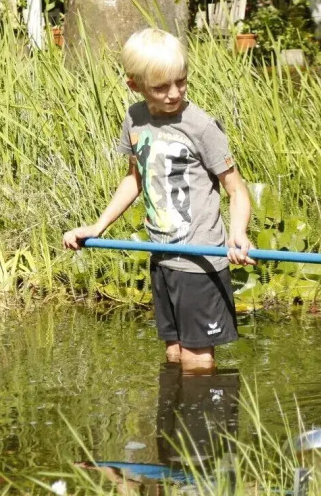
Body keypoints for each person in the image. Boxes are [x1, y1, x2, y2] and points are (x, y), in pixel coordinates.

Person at [62, 28, 255, 374]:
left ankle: (206, 428)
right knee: (175, 354)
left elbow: (237, 190)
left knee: (198, 360)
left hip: (201, 261)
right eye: (161, 87)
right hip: (162, 257)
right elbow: (134, 179)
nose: (173, 94)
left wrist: (238, 232)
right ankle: (172, 428)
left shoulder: (202, 127)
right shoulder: (135, 119)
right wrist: (97, 226)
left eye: (181, 82)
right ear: (135, 85)